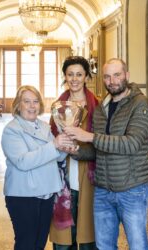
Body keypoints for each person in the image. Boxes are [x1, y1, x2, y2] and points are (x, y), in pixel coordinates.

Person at [64, 58, 148, 250]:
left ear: (127, 76)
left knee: (137, 245)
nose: (112, 81)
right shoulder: (101, 108)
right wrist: (75, 150)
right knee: (104, 246)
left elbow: (132, 144)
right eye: (107, 76)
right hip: (103, 190)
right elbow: (97, 150)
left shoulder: (140, 104)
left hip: (132, 189)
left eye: (117, 75)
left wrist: (88, 136)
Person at [1, 85, 74, 250]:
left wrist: (66, 147)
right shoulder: (11, 130)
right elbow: (23, 161)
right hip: (23, 196)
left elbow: (54, 157)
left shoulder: (43, 126)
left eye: (35, 102)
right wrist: (55, 145)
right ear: (18, 105)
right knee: (26, 244)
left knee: (39, 244)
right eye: (26, 101)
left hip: (46, 194)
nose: (32, 106)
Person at [49, 56, 99, 250]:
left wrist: (79, 148)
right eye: (70, 74)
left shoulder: (98, 106)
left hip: (90, 178)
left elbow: (102, 143)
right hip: (63, 180)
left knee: (88, 237)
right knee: (63, 241)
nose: (75, 79)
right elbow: (51, 138)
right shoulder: (57, 107)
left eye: (79, 74)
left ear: (86, 76)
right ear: (65, 76)